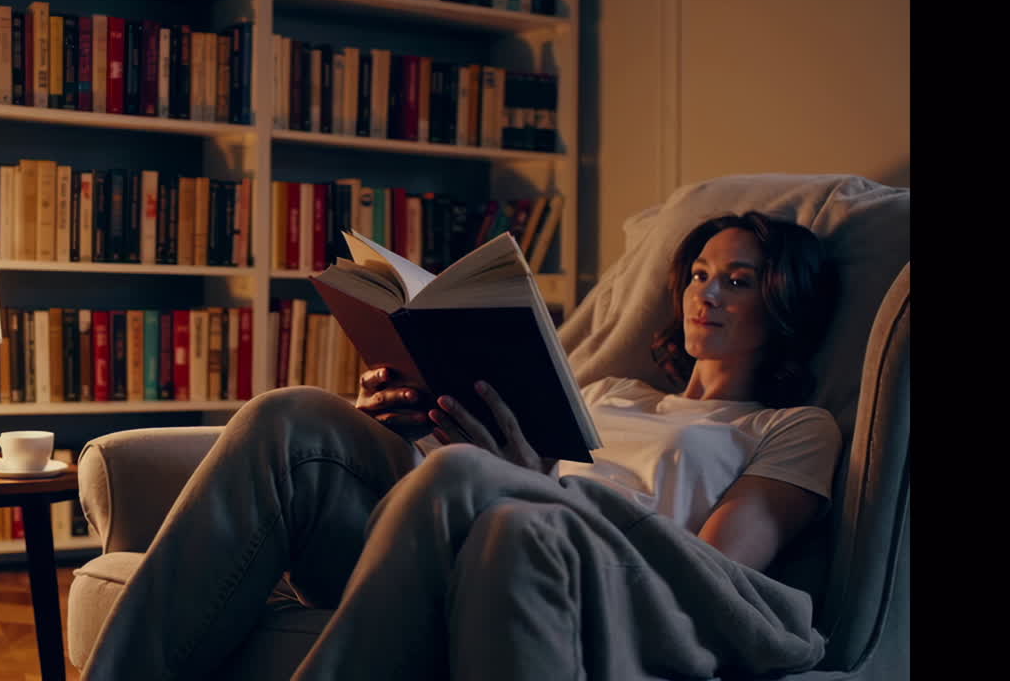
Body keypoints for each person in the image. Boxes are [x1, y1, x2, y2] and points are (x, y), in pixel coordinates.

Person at [80, 211, 842, 681]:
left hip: (587, 572)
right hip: (453, 520)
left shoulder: (788, 426)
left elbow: (717, 573)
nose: (706, 294)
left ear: (783, 304)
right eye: (700, 275)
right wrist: (405, 422)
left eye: (738, 281)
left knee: (466, 479)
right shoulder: (612, 393)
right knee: (293, 419)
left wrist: (527, 481)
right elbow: (489, 470)